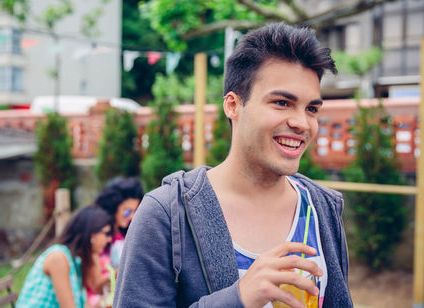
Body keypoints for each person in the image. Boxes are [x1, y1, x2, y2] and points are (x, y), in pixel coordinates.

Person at [114, 22, 353, 308]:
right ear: (232, 105)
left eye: (311, 109)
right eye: (281, 102)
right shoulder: (166, 214)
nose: (302, 123)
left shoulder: (322, 209)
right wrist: (238, 298)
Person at [17, 205, 113, 308]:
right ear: (91, 234)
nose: (109, 239)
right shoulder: (58, 258)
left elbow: (85, 305)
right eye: (106, 233)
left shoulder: (76, 261)